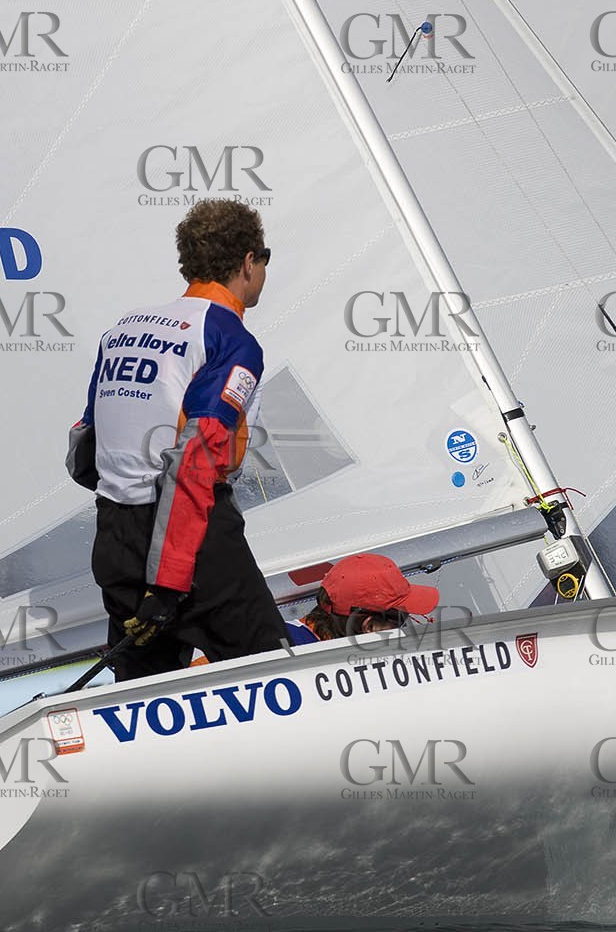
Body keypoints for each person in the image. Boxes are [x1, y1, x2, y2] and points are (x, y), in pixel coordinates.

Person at [67, 199, 285, 680]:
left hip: (115, 535)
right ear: (248, 261)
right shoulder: (231, 339)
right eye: (265, 257)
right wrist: (169, 582)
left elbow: (85, 445)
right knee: (277, 675)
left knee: (142, 696)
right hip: (193, 543)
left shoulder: (123, 329)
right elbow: (196, 459)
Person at [286, 553, 440, 644]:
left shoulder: (287, 636)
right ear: (370, 627)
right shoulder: (301, 660)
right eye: (401, 621)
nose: (404, 628)